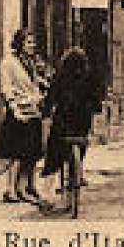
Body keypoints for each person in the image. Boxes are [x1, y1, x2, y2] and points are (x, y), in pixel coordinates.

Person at [39, 45, 105, 207]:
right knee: (81, 147)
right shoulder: (90, 77)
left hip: (63, 121)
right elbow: (97, 101)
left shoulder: (60, 76)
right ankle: (75, 176)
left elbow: (51, 98)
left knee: (53, 153)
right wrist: (95, 110)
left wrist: (46, 113)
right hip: (82, 122)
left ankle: (46, 192)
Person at [0, 29, 45, 205]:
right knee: (16, 153)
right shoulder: (8, 63)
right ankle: (10, 190)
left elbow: (33, 82)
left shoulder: (30, 63)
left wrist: (40, 84)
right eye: (28, 42)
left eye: (33, 42)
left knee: (30, 154)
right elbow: (6, 87)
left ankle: (23, 188)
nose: (32, 45)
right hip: (18, 110)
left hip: (33, 110)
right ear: (19, 44)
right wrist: (13, 108)